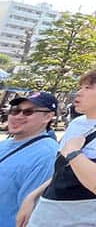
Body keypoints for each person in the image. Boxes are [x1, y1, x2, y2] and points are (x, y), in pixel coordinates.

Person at [17, 66, 96, 227]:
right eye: (80, 87)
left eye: (88, 88)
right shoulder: (77, 123)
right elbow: (62, 171)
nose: (79, 92)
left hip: (79, 220)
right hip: (44, 215)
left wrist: (74, 152)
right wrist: (33, 196)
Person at [0, 92, 60, 227]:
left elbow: (31, 215)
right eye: (15, 111)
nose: (18, 116)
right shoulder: (4, 144)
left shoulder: (47, 156)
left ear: (48, 117)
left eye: (28, 112)